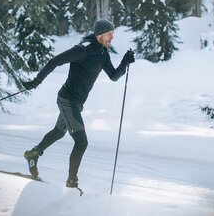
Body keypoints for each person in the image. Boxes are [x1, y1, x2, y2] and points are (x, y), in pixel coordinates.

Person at [21, 18, 135, 188]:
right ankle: (71, 181)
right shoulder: (83, 50)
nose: (112, 37)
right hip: (67, 100)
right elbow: (55, 62)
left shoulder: (103, 53)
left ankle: (33, 154)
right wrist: (36, 81)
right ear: (100, 34)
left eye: (113, 34)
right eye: (110, 34)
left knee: (58, 132)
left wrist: (124, 62)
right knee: (81, 142)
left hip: (76, 103)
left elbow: (113, 76)